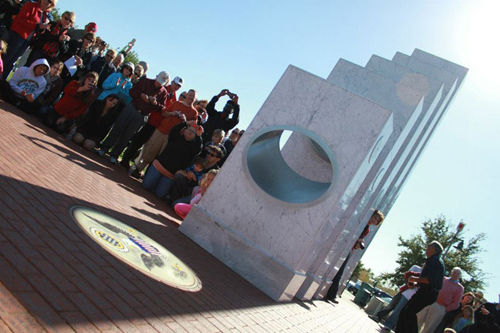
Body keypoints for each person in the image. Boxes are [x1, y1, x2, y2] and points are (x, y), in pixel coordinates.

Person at [98, 71, 169, 164]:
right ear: (156, 76)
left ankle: (115, 155)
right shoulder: (145, 81)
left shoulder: (163, 93)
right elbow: (131, 92)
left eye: (162, 82)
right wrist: (141, 95)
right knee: (117, 128)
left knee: (127, 135)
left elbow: (161, 108)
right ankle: (104, 148)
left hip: (142, 115)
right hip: (132, 108)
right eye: (159, 80)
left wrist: (155, 103)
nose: (159, 83)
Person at [119, 75, 183, 168]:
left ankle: (129, 160)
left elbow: (164, 109)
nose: (176, 86)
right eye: (175, 84)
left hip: (158, 125)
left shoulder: (174, 99)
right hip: (149, 119)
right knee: (136, 139)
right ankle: (124, 158)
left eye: (179, 86)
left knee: (143, 143)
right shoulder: (161, 89)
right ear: (171, 82)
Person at [325, 210, 385, 303]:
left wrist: (357, 244)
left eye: (377, 221)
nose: (375, 220)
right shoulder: (359, 220)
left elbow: (355, 243)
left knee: (340, 270)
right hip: (340, 242)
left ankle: (331, 295)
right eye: (375, 217)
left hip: (348, 248)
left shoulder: (367, 230)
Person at [142, 121, 203, 198]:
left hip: (170, 175)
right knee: (146, 186)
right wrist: (185, 123)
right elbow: (174, 130)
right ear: (185, 130)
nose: (190, 133)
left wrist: (199, 136)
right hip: (158, 166)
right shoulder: (175, 137)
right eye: (189, 130)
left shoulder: (192, 148)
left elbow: (198, 149)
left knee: (159, 194)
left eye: (193, 133)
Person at [395, 241, 445, 333]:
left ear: (434, 249)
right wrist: (415, 284)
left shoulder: (436, 261)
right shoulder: (431, 260)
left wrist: (414, 278)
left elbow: (430, 280)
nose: (427, 248)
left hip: (428, 293)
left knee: (409, 312)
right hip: (425, 291)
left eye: (429, 246)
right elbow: (425, 279)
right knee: (406, 312)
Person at [2, 0, 56, 79]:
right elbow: (20, 19)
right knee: (7, 58)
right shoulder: (30, 6)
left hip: (27, 41)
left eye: (50, 2)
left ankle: (2, 81)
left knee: (13, 62)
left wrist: (43, 28)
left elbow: (39, 30)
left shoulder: (45, 15)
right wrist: (37, 26)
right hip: (17, 35)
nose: (47, 2)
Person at [417, 267, 464, 333]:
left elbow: (456, 303)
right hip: (429, 301)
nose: (455, 274)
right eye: (454, 272)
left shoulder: (460, 288)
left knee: (430, 327)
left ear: (460, 276)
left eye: (458, 274)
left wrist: (445, 309)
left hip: (441, 307)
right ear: (451, 272)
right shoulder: (443, 279)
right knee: (418, 320)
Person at [377, 265, 423, 332]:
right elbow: (407, 276)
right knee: (392, 304)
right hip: (404, 290)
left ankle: (389, 326)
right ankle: (380, 316)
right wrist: (409, 283)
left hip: (410, 294)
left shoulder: (427, 275)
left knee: (399, 310)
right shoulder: (416, 268)